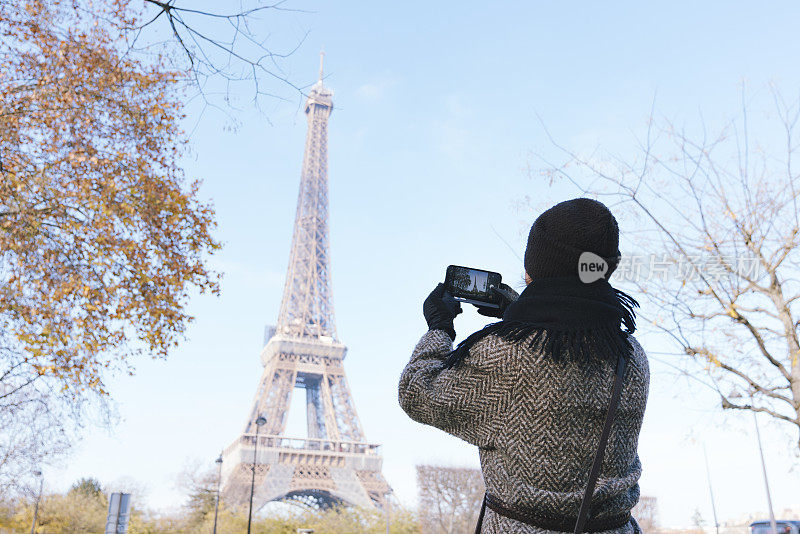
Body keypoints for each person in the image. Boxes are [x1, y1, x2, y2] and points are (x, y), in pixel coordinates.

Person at [398, 198, 649, 534]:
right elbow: (563, 349)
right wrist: (519, 313)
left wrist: (439, 327)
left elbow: (418, 392)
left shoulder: (506, 352)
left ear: (536, 268)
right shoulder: (631, 354)